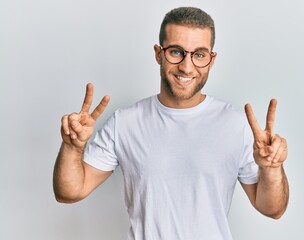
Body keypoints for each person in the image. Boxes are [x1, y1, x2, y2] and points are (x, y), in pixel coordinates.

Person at [53, 6, 289, 240]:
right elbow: (69, 192)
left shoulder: (236, 124)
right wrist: (73, 147)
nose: (187, 67)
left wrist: (272, 168)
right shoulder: (124, 123)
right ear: (158, 53)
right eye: (176, 52)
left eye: (199, 55)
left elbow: (273, 209)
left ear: (211, 59)